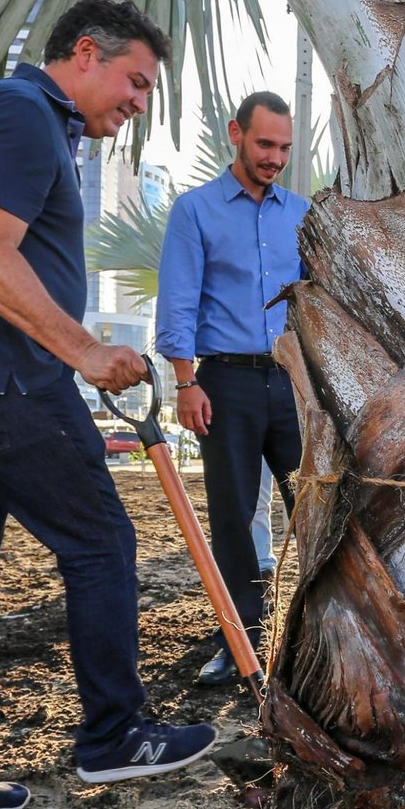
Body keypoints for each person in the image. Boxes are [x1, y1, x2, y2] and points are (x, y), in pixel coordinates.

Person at [0, 0, 219, 809]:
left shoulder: (30, 122)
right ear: (84, 53)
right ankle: (114, 733)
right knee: (100, 541)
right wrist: (82, 351)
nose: (141, 102)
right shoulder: (19, 112)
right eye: (136, 81)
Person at [156, 92, 309, 683]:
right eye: (265, 144)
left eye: (284, 148)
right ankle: (241, 642)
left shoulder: (300, 212)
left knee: (315, 507)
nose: (274, 158)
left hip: (294, 383)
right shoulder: (194, 211)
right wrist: (185, 381)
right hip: (225, 384)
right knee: (234, 517)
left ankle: (322, 633)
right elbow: (179, 299)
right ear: (236, 135)